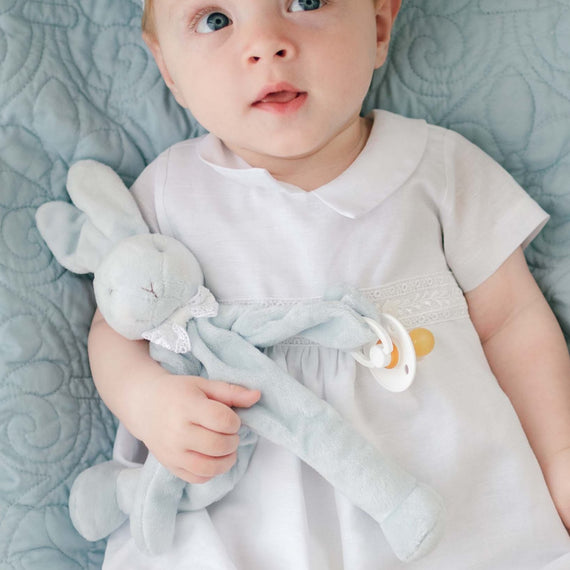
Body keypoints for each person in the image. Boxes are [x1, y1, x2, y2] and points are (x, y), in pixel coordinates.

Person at [89, 0, 570, 567]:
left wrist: (559, 456)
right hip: (242, 502)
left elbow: (513, 324)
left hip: (443, 495)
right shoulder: (170, 190)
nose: (266, 42)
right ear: (168, 68)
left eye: (307, 1)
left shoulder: (437, 166)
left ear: (378, 25)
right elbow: (117, 326)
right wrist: (147, 400)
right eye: (215, 20)